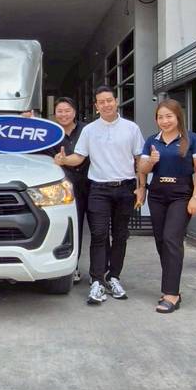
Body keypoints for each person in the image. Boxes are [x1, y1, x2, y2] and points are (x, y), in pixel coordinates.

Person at [55, 85, 145, 304]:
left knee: (120, 235)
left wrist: (141, 186)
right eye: (101, 102)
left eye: (109, 100)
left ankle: (113, 277)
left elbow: (139, 160)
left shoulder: (131, 128)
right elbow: (79, 157)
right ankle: (97, 281)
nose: (106, 105)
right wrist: (64, 160)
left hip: (125, 188)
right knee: (98, 234)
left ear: (116, 101)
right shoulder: (90, 130)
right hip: (99, 189)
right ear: (96, 106)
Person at [138, 99, 196, 313]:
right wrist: (151, 161)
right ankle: (171, 284)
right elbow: (142, 169)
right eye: (160, 117)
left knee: (171, 239)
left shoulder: (193, 139)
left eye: (169, 116)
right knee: (161, 241)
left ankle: (171, 294)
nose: (165, 121)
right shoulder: (152, 140)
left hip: (181, 195)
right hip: (157, 194)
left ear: (178, 117)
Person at [45, 97, 90, 283]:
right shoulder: (49, 134)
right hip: (65, 188)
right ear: (55, 114)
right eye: (60, 111)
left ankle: (99, 271)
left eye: (67, 110)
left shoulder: (87, 130)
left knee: (98, 229)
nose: (63, 114)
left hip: (91, 184)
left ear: (74, 112)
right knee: (73, 228)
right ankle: (73, 267)